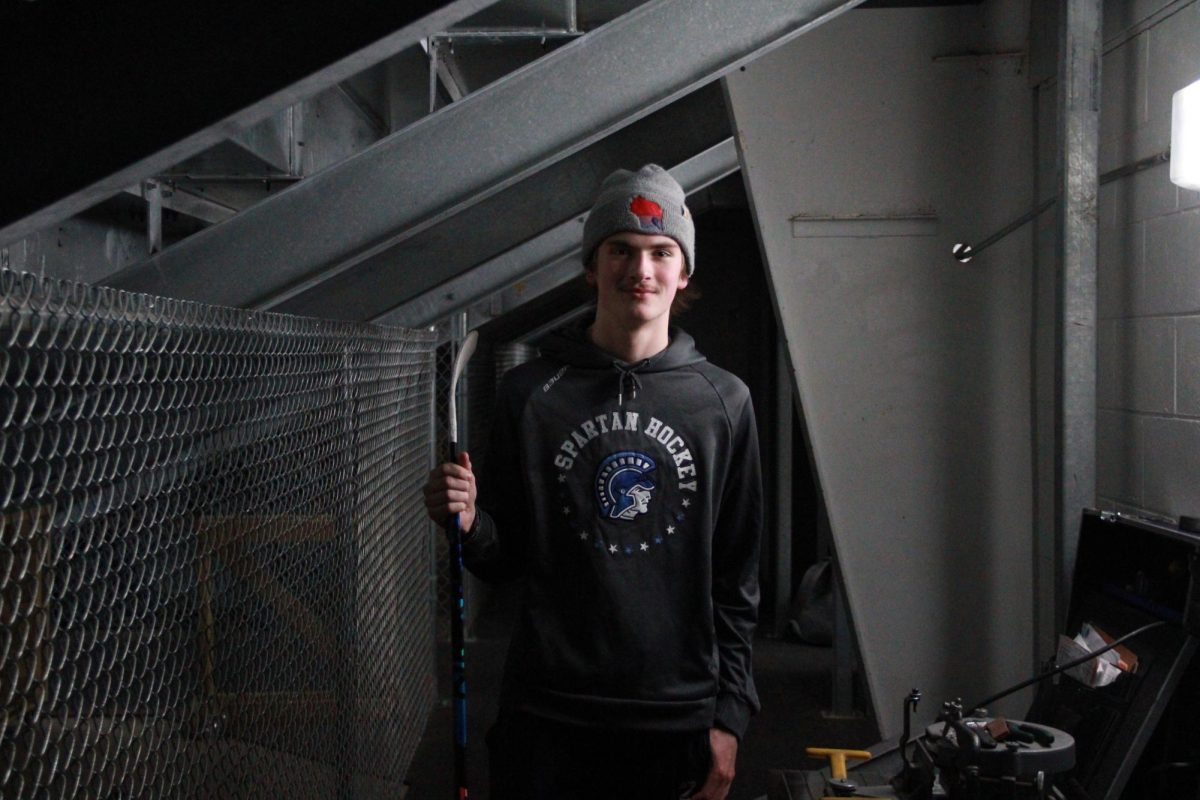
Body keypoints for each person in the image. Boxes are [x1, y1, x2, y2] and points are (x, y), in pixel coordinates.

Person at [424, 164, 762, 800]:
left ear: (683, 272)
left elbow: (736, 578)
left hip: (675, 717)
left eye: (661, 253)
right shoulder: (531, 395)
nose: (641, 270)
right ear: (591, 266)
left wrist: (730, 717)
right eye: (621, 250)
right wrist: (468, 524)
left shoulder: (723, 402)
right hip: (549, 716)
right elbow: (506, 557)